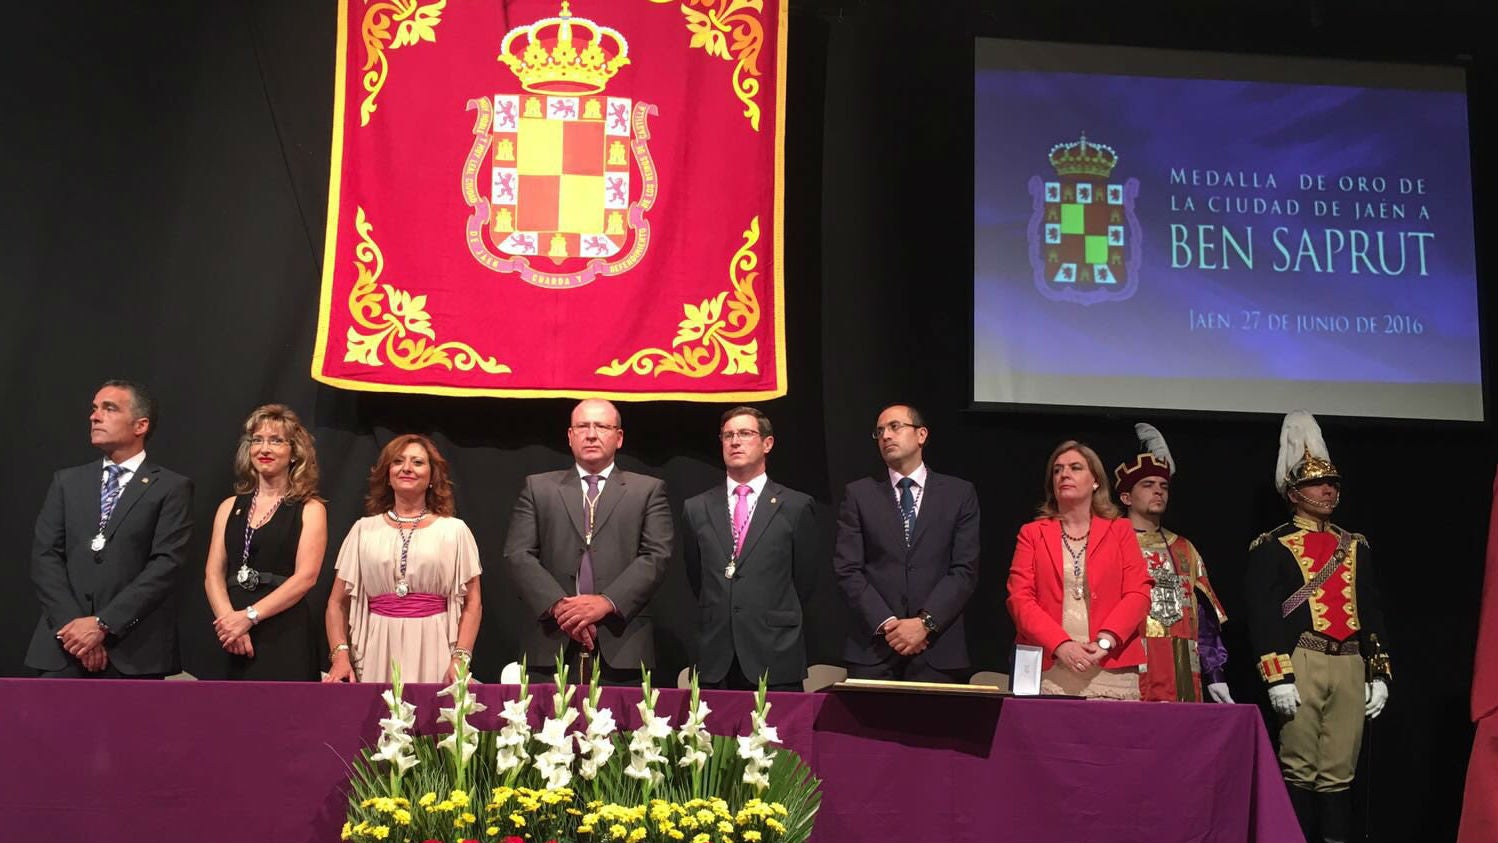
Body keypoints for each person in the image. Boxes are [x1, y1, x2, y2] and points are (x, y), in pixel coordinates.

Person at [1243, 411, 1391, 843]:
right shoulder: (1271, 546)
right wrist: (1277, 676)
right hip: (1303, 659)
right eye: (1316, 484)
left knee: (1340, 772)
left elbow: (1372, 611)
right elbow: (1263, 613)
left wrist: (1379, 673)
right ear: (1293, 492)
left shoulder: (1355, 544)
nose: (1328, 491)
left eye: (1333, 484)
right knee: (1299, 769)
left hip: (1349, 663)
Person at [27, 380, 194, 678]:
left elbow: (166, 565)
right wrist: (75, 629)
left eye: (109, 408)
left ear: (140, 425)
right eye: (94, 409)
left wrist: (102, 624)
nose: (94, 416)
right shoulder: (67, 482)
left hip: (134, 652)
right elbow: (45, 556)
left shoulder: (170, 487)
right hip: (64, 649)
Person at [503, 399, 672, 685]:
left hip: (622, 642)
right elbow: (518, 554)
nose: (591, 434)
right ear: (570, 436)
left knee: (622, 730)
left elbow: (657, 555)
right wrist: (561, 608)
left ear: (618, 437)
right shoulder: (538, 487)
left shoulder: (647, 490)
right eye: (583, 426)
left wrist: (606, 602)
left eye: (602, 426)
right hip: (551, 641)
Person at [833, 404, 979, 683]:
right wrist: (889, 625)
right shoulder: (859, 494)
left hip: (938, 649)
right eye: (879, 432)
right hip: (874, 649)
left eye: (895, 427)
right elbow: (848, 569)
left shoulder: (958, 494)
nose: (886, 436)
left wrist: (925, 623)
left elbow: (964, 570)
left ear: (921, 435)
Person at [325, 434, 482, 685]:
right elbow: (336, 604)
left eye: (417, 462)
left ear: (432, 477)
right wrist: (340, 656)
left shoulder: (454, 531)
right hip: (378, 646)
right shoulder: (363, 530)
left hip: (435, 644)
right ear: (388, 474)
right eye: (398, 461)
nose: (407, 468)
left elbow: (473, 603)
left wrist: (460, 658)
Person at [682, 407, 819, 692]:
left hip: (774, 652)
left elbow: (804, 580)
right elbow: (697, 576)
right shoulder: (696, 507)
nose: (735, 441)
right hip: (716, 656)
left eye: (745, 433)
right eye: (728, 435)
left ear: (767, 443)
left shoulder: (795, 506)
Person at [1006, 440, 1152, 699]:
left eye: (1075, 468)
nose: (1065, 474)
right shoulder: (1032, 534)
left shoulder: (1120, 530)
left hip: (1109, 665)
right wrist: (1061, 644)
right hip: (1048, 666)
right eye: (1057, 470)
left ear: (1095, 480)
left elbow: (1138, 593)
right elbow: (1020, 600)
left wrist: (1105, 641)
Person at [202, 404, 327, 680]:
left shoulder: (310, 508)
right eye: (257, 440)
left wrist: (249, 617)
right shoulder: (229, 506)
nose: (264, 449)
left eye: (276, 441)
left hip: (283, 631)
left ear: (294, 452)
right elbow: (213, 573)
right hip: (231, 634)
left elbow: (306, 577)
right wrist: (229, 622)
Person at [1114, 423, 1232, 703]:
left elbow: (1204, 617)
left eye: (1163, 486)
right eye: (1148, 485)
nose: (1158, 491)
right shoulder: (1111, 543)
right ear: (1126, 496)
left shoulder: (1183, 548)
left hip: (1181, 666)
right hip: (1129, 664)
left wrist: (1215, 673)